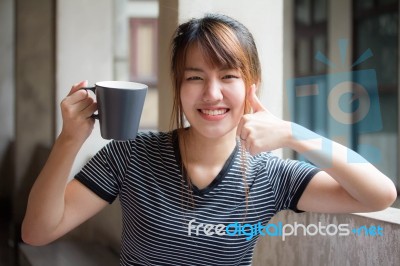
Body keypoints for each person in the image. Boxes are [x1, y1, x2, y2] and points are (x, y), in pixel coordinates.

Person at [22, 13, 396, 265]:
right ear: (179, 87)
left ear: (252, 88)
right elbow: (37, 232)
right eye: (195, 77)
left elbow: (380, 193)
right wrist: (69, 139)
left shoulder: (270, 174)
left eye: (228, 77)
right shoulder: (129, 155)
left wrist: (295, 134)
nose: (212, 94)